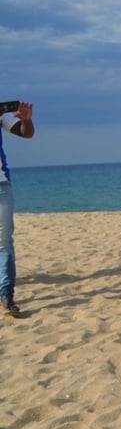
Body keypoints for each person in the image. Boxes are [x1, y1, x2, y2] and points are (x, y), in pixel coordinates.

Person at [1, 101, 34, 317]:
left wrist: (26, 119)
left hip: (1, 186)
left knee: (4, 242)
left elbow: (26, 133)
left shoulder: (1, 115)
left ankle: (6, 296)